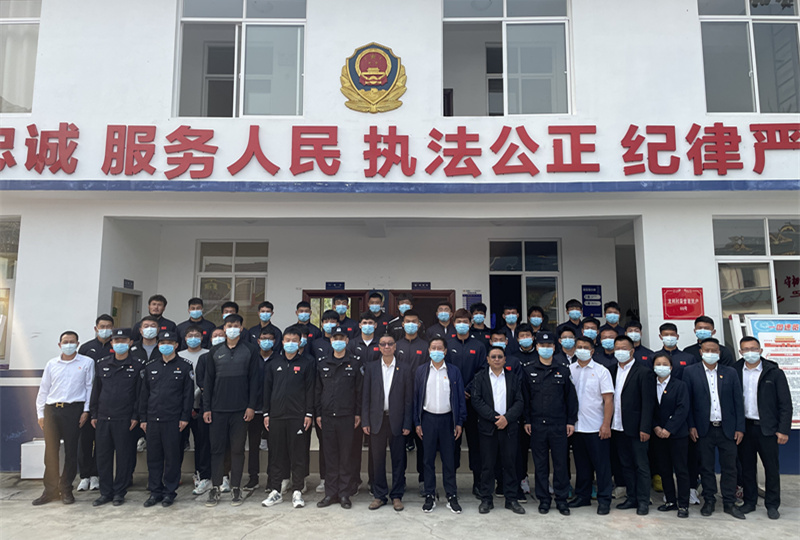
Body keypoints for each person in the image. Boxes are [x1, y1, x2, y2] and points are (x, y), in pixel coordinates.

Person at [202, 314, 261, 507]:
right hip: (217, 410)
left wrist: (251, 406)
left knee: (237, 450)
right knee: (217, 450)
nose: (233, 328)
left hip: (241, 410)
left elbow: (254, 381)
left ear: (242, 328)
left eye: (236, 325)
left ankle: (236, 486)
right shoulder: (214, 351)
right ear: (224, 328)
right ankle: (215, 487)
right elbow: (208, 382)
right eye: (229, 325)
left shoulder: (250, 350)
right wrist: (207, 408)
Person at [683, 338, 746, 519]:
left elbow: (738, 402)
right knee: (706, 467)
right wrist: (691, 426)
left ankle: (729, 502)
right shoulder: (690, 372)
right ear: (701, 352)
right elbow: (688, 402)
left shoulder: (730, 372)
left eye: (714, 350)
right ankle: (709, 500)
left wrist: (740, 428)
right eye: (707, 350)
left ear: (719, 353)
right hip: (704, 429)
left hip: (727, 428)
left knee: (730, 467)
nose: (710, 353)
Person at [33, 331, 94, 506]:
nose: (68, 345)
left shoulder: (87, 363)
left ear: (78, 344)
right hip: (52, 410)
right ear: (59, 345)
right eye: (65, 342)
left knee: (71, 451)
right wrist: (40, 414)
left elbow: (89, 387)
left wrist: (86, 411)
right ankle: (50, 490)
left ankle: (66, 488)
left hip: (74, 410)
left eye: (72, 342)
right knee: (50, 452)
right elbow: (44, 389)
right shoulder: (52, 364)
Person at [735, 336, 792, 520]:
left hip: (768, 429)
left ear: (760, 350)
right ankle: (749, 502)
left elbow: (785, 403)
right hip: (745, 427)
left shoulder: (774, 372)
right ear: (740, 352)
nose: (750, 352)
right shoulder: (735, 370)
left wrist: (783, 430)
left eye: (753, 349)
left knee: (771, 468)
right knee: (747, 468)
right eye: (746, 349)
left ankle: (772, 504)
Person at [522, 331, 578, 516]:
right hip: (537, 424)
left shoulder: (563, 369)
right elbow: (525, 398)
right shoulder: (528, 370)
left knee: (561, 464)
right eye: (542, 345)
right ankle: (544, 499)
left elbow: (571, 398)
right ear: (536, 347)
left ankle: (561, 499)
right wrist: (527, 420)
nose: (545, 348)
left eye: (549, 346)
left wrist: (570, 421)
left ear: (555, 347)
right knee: (541, 465)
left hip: (558, 425)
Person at [89, 328, 144, 507]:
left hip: (125, 418)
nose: (120, 343)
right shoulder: (102, 364)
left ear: (130, 343)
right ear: (112, 343)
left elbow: (139, 394)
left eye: (123, 340)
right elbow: (96, 391)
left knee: (124, 457)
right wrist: (94, 413)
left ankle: (120, 492)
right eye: (116, 340)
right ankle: (105, 492)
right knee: (103, 457)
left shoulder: (137, 365)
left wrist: (135, 416)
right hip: (103, 417)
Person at [261, 328, 315, 509]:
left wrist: (308, 413)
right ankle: (275, 491)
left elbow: (310, 390)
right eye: (287, 340)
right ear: (282, 342)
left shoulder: (307, 363)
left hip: (297, 417)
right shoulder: (273, 363)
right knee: (276, 455)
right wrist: (266, 413)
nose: (290, 343)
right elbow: (267, 389)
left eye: (294, 340)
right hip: (276, 416)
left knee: (298, 454)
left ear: (300, 343)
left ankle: (297, 491)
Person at [139, 331, 193, 508]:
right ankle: (155, 491)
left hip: (173, 419)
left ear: (176, 345)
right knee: (153, 458)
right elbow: (144, 394)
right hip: (153, 419)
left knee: (172, 458)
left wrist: (184, 417)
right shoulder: (150, 366)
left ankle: (169, 492)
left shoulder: (185, 366)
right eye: (162, 343)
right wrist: (143, 418)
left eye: (170, 343)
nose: (166, 346)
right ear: (158, 345)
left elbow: (187, 395)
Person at [414, 337, 467, 514]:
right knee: (428, 460)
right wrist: (417, 422)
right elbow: (416, 398)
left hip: (448, 420)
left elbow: (460, 398)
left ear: (445, 351)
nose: (436, 351)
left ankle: (451, 495)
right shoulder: (421, 371)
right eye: (433, 348)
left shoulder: (453, 371)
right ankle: (429, 494)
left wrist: (459, 422)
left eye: (439, 348)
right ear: (429, 350)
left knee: (449, 460)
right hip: (427, 419)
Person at [362, 334, 413, 511]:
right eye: (383, 344)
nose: (386, 346)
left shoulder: (405, 368)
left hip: (397, 420)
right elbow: (366, 397)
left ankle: (397, 495)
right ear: (379, 347)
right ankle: (380, 495)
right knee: (377, 460)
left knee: (398, 459)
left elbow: (409, 399)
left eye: (390, 343)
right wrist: (365, 420)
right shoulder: (371, 367)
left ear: (395, 346)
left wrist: (407, 423)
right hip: (377, 420)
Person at [471, 346, 525, 515]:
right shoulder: (479, 377)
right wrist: (495, 418)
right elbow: (476, 400)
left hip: (509, 428)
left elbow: (519, 401)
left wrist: (506, 418)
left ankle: (511, 499)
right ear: (487, 359)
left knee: (510, 464)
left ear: (504, 359)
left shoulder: (513, 377)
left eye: (499, 356)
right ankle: (486, 499)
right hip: (488, 428)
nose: (496, 359)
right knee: (487, 465)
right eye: (493, 356)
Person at [315, 327, 363, 509]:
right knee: (330, 456)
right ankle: (330, 493)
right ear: (330, 341)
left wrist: (358, 413)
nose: (338, 341)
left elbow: (359, 391)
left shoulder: (354, 362)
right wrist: (318, 413)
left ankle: (344, 494)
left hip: (347, 416)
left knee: (346, 456)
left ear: (347, 341)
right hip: (327, 416)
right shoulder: (322, 363)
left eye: (341, 338)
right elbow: (317, 390)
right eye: (335, 338)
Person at [609, 335, 656, 515]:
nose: (620, 352)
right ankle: (632, 497)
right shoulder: (611, 370)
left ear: (632, 351)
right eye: (617, 348)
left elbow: (648, 403)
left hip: (637, 429)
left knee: (641, 466)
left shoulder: (643, 372)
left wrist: (645, 427)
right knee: (625, 465)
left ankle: (643, 501)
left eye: (624, 348)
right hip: (617, 426)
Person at [568, 336, 614, 515]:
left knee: (602, 466)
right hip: (577, 427)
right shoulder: (569, 370)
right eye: (579, 347)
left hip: (596, 427)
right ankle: (582, 496)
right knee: (582, 466)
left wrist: (606, 424)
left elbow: (608, 400)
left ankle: (604, 499)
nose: (581, 350)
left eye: (585, 347)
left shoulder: (602, 371)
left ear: (592, 351)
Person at [447, 308, 487, 497]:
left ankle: (477, 482)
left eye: (465, 321)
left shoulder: (478, 346)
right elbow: (444, 369)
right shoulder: (448, 345)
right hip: (452, 403)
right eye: (458, 321)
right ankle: (451, 484)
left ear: (470, 323)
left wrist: (468, 389)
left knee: (475, 444)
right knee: (452, 444)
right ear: (454, 323)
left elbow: (482, 371)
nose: (462, 324)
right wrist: (457, 391)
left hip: (472, 402)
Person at [76, 314, 115, 493]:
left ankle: (96, 475)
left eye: (108, 326)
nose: (105, 329)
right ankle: (84, 476)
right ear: (96, 328)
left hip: (106, 401)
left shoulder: (115, 347)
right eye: (102, 326)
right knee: (85, 441)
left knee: (102, 442)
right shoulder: (86, 348)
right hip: (87, 401)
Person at [651, 351, 691, 518]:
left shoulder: (680, 385)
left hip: (677, 434)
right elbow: (649, 408)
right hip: (658, 434)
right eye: (658, 364)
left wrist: (668, 429)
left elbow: (683, 409)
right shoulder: (650, 384)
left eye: (665, 364)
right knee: (664, 469)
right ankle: (670, 501)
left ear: (671, 367)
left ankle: (683, 504)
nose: (661, 367)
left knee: (681, 469)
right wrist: (656, 427)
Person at [394, 309, 429, 486]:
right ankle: (400, 480)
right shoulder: (395, 346)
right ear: (402, 324)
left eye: (414, 321)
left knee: (422, 442)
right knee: (400, 443)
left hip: (421, 398)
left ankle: (423, 480)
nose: (410, 324)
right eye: (407, 321)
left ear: (419, 324)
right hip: (399, 400)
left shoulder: (425, 346)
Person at [179, 325, 212, 495]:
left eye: (196, 335)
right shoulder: (178, 355)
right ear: (184, 338)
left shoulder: (209, 354)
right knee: (178, 444)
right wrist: (187, 405)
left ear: (202, 337)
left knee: (202, 444)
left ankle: (201, 474)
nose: (193, 338)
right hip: (181, 408)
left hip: (202, 407)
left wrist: (195, 402)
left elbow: (205, 381)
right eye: (190, 335)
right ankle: (175, 474)